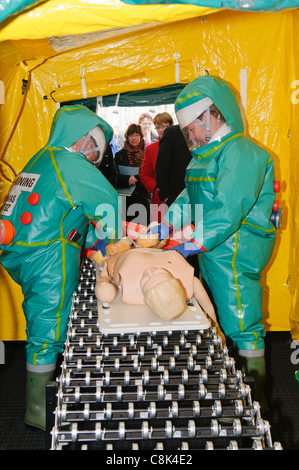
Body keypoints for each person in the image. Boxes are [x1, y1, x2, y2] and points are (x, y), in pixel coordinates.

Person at [147, 76, 277, 412]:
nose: (189, 135)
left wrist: (191, 245)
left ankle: (255, 398)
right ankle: (231, 382)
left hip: (236, 251)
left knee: (241, 321)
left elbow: (226, 209)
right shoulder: (205, 155)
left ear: (210, 116)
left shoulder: (242, 152)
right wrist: (164, 227)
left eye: (191, 128)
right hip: (213, 252)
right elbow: (188, 201)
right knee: (217, 314)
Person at [0, 105, 123, 431]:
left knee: (39, 315)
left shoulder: (42, 157)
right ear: (83, 139)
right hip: (48, 253)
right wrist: (113, 244)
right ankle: (38, 411)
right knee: (48, 326)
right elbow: (107, 203)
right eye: (95, 147)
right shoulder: (71, 163)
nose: (96, 157)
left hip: (19, 250)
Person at [94, 246, 219, 330]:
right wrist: (216, 326)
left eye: (146, 280)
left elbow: (103, 289)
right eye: (160, 273)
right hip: (156, 244)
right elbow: (207, 307)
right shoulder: (186, 284)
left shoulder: (130, 291)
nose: (150, 271)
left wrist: (104, 277)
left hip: (118, 250)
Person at [139, 112, 173, 222]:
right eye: (158, 127)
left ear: (172, 126)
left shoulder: (183, 146)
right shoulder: (151, 149)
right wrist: (157, 189)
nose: (161, 130)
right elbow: (144, 175)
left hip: (181, 200)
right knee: (159, 235)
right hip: (160, 201)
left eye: (165, 126)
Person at [115, 123, 151, 226]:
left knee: (144, 230)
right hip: (126, 198)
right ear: (127, 137)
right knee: (127, 229)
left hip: (143, 196)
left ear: (141, 136)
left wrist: (137, 179)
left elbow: (151, 173)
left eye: (136, 135)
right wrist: (127, 180)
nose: (133, 138)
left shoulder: (147, 152)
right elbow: (115, 175)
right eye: (131, 135)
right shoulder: (120, 155)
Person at [155, 124, 192, 207]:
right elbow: (162, 165)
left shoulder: (208, 132)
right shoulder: (173, 132)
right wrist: (165, 195)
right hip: (176, 195)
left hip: (198, 194)